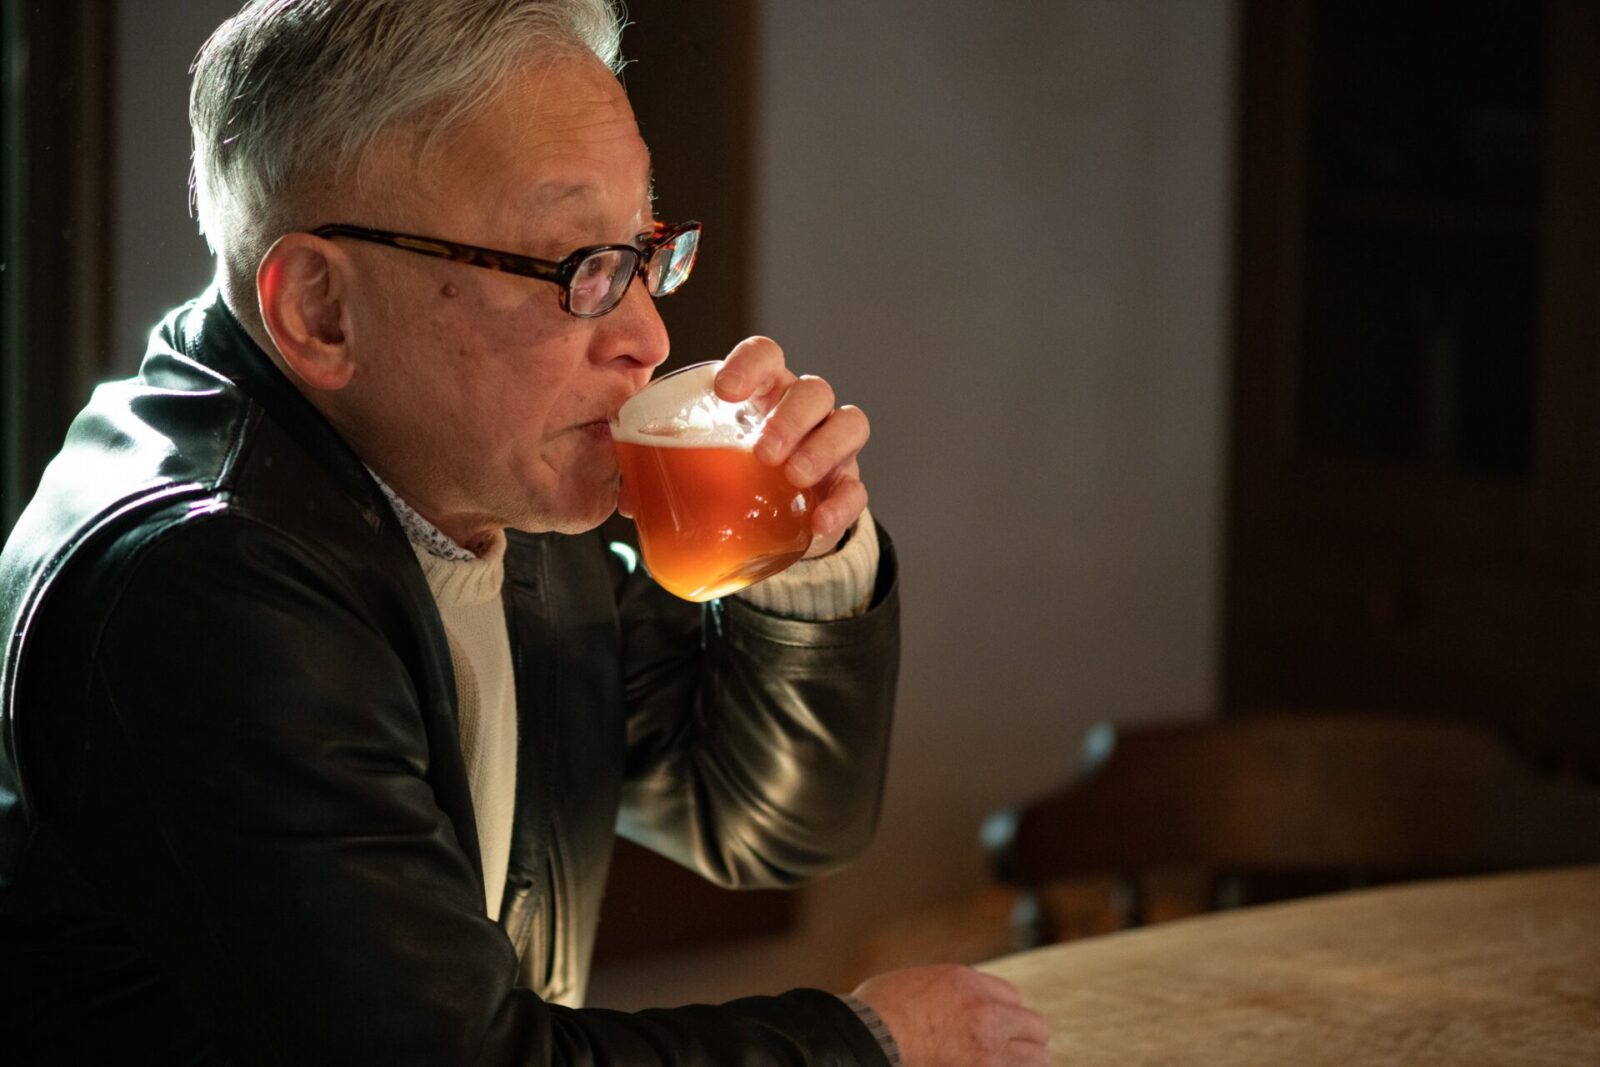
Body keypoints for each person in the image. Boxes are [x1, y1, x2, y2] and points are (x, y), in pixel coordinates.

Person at [0, 1, 1050, 1064]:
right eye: (577, 267)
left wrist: (804, 559)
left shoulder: (477, 474)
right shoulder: (205, 582)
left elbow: (763, 824)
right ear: (321, 310)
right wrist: (869, 1043)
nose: (648, 336)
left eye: (640, 253)